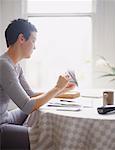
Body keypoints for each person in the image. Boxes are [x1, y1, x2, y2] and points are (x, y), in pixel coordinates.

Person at [0, 19, 75, 150]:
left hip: (5, 116)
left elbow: (31, 95)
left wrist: (61, 89)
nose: (35, 47)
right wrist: (57, 88)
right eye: (33, 40)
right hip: (1, 124)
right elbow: (28, 106)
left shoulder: (15, 66)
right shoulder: (4, 65)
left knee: (37, 112)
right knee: (47, 136)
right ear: (21, 39)